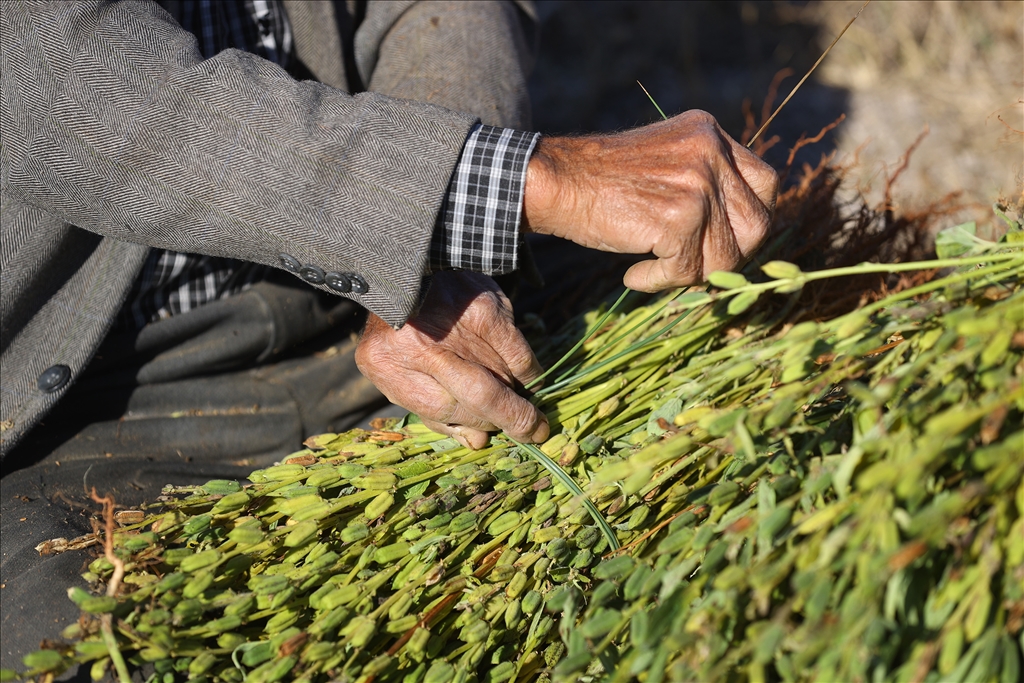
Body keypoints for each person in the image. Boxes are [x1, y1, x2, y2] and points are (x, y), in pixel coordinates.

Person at [0, 0, 777, 671]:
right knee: (93, 643)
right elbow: (73, 79)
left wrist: (421, 257)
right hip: (64, 402)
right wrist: (524, 182)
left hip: (343, 297)